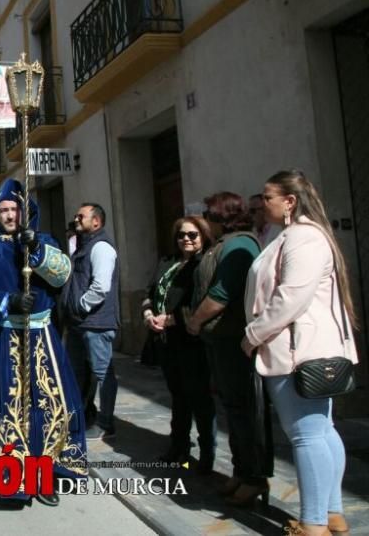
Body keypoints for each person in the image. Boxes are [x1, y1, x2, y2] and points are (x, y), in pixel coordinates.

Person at [242, 171, 359, 536]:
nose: (263, 203)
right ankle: (331, 514)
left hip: (296, 351)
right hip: (301, 348)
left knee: (307, 435)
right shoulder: (293, 236)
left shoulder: (304, 238)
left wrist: (252, 335)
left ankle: (313, 523)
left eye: (268, 197)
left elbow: (289, 298)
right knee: (321, 431)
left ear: (289, 201)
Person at [0, 179, 86, 505]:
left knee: (49, 405)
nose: (9, 215)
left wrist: (38, 251)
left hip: (42, 335)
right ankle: (12, 473)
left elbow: (62, 274)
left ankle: (45, 474)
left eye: (14, 209)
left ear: (25, 211)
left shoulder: (42, 240)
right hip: (4, 335)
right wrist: (7, 301)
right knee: (9, 406)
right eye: (3, 210)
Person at [185, 191, 269, 507]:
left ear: (222, 216)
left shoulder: (240, 245)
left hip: (233, 341)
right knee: (231, 407)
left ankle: (254, 476)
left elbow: (222, 292)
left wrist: (195, 321)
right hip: (219, 341)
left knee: (243, 409)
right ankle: (241, 470)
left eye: (208, 214)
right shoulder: (224, 244)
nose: (205, 219)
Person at [141, 216, 217, 471]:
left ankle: (207, 454)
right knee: (178, 395)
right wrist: (148, 314)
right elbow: (150, 293)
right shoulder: (167, 262)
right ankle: (178, 447)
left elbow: (202, 301)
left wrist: (172, 319)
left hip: (192, 340)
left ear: (203, 236)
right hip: (166, 341)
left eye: (193, 235)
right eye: (181, 235)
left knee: (200, 399)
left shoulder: (205, 263)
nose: (186, 239)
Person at [61, 203, 119, 440]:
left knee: (102, 373)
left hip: (95, 323)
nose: (76, 219)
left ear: (96, 222)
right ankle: (82, 416)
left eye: (81, 216)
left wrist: (79, 305)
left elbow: (101, 287)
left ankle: (106, 424)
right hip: (78, 323)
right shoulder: (82, 247)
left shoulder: (101, 248)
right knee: (77, 372)